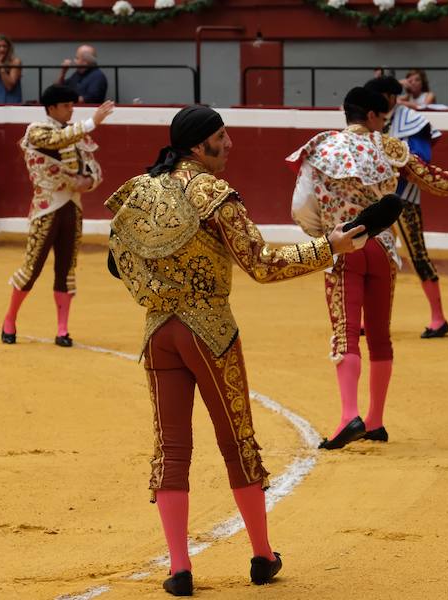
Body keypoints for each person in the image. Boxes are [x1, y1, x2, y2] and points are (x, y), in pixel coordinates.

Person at [105, 105, 366, 596]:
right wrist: (327, 247)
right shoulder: (212, 193)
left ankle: (179, 568)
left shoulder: (140, 189)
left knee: (171, 448)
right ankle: (263, 556)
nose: (230, 145)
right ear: (200, 144)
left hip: (158, 329)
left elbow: (118, 264)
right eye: (222, 137)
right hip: (210, 329)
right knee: (237, 441)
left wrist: (162, 287)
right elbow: (261, 264)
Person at [287, 87, 448, 450]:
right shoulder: (389, 148)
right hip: (383, 250)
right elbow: (436, 181)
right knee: (380, 336)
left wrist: (322, 235)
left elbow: (301, 204)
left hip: (343, 249)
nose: (386, 122)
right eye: (383, 116)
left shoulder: (321, 148)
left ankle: (348, 416)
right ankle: (375, 420)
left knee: (346, 333)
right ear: (371, 116)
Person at [1, 85, 114, 347]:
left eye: (72, 105)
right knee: (32, 268)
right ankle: (9, 319)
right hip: (46, 208)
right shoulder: (37, 131)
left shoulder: (76, 136)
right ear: (51, 108)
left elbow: (94, 168)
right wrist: (91, 122)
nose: (71, 109)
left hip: (72, 208)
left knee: (66, 269)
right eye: (66, 105)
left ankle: (62, 330)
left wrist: (88, 181)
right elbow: (56, 141)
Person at [364, 75, 448, 338]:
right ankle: (373, 320)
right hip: (377, 198)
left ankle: (439, 318)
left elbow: (421, 159)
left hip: (404, 199)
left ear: (391, 97)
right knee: (373, 257)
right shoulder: (375, 121)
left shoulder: (411, 121)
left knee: (417, 255)